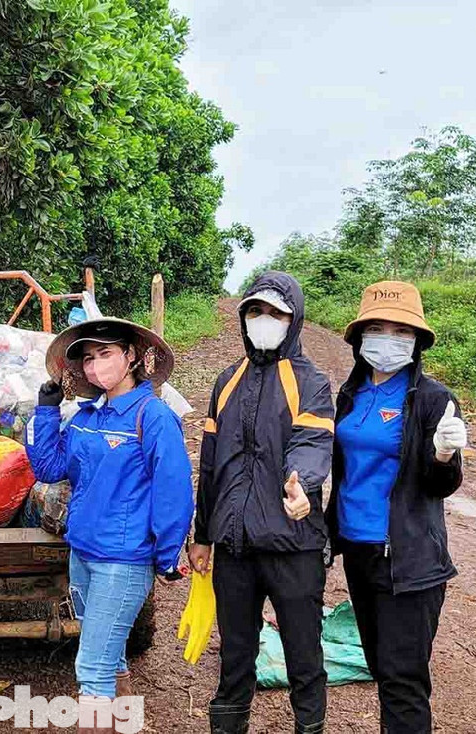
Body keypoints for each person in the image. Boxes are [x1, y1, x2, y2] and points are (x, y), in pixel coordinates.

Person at [26, 318, 194, 734]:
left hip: (124, 561)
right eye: (87, 358)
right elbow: (49, 467)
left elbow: (174, 492)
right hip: (82, 553)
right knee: (111, 655)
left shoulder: (152, 416)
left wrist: (167, 556)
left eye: (106, 354)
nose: (95, 366)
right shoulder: (86, 417)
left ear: (133, 356)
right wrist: (46, 411)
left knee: (92, 669)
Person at [189, 271, 336, 734]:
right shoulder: (226, 381)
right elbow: (211, 466)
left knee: (304, 658)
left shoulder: (311, 382)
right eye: (255, 311)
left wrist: (301, 483)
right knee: (234, 657)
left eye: (276, 312)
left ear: (294, 320)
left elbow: (313, 443)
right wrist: (203, 535)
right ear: (243, 317)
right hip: (234, 548)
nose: (263, 320)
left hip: (293, 545)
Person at [327, 281, 466, 733]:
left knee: (403, 681)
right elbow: (344, 474)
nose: (388, 339)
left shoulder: (432, 400)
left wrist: (444, 455)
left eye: (400, 331)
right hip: (359, 552)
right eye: (378, 328)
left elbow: (440, 485)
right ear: (361, 337)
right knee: (380, 667)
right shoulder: (351, 394)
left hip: (406, 561)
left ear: (416, 341)